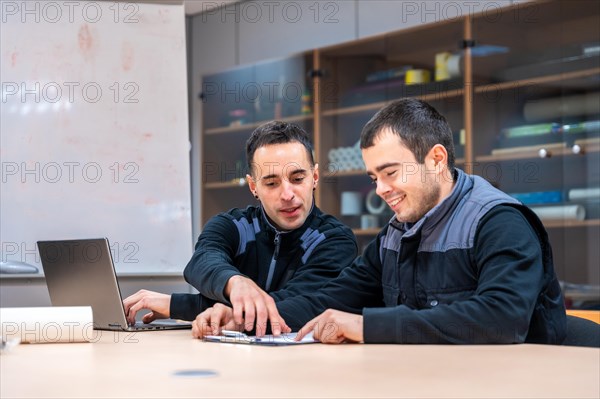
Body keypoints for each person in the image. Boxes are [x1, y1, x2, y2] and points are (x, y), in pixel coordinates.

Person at [196, 98, 567, 344]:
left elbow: (501, 318)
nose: (381, 190)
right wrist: (243, 321)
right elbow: (328, 298)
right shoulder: (396, 234)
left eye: (390, 172)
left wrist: (367, 326)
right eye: (374, 177)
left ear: (436, 160)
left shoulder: (498, 222)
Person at [123, 121, 358, 336]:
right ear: (254, 186)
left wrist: (177, 305)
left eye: (297, 179)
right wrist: (235, 282)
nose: (287, 195)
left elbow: (293, 306)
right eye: (272, 183)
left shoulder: (335, 240)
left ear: (315, 177)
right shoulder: (232, 225)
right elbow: (202, 262)